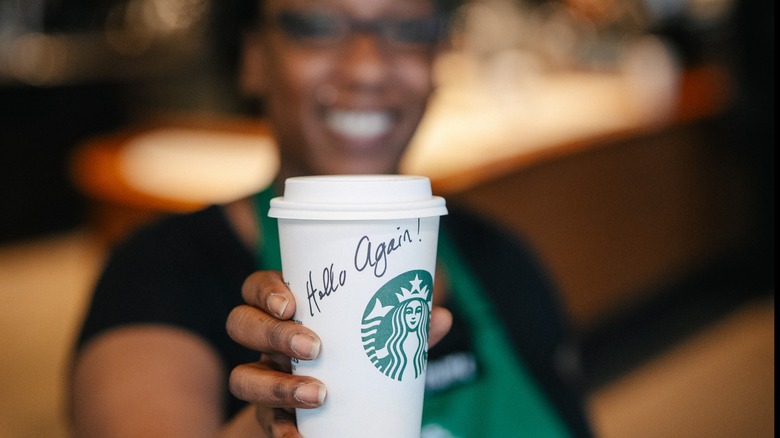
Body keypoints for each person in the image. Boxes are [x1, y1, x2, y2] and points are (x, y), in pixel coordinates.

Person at [69, 0, 594, 436]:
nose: (366, 66)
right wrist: (271, 422)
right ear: (252, 56)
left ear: (437, 60)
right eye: (318, 26)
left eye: (408, 30)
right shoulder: (156, 275)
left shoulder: (503, 259)